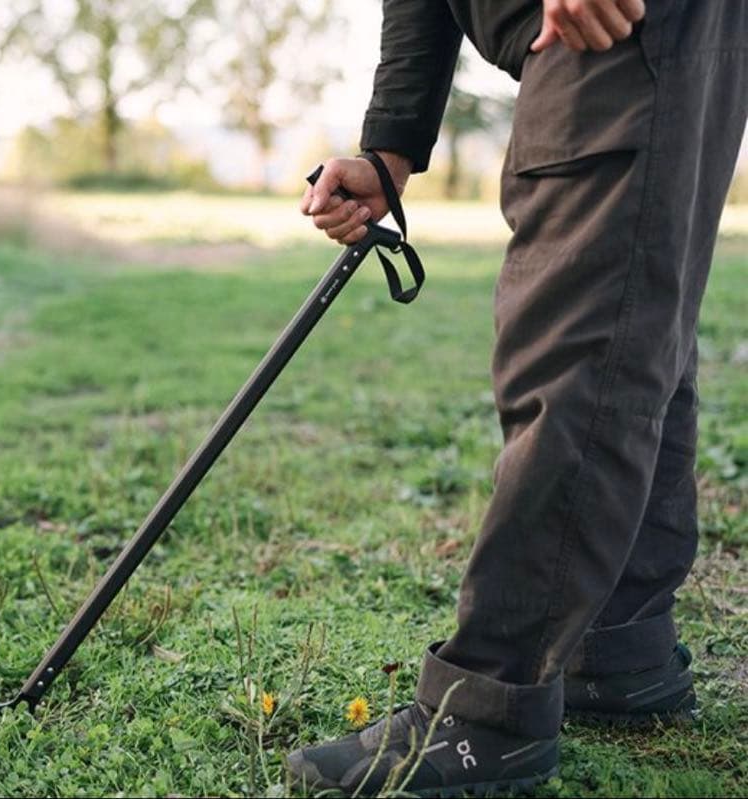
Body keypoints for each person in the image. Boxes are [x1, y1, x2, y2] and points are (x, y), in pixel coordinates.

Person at [286, 0, 748, 795]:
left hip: (615, 27)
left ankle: (488, 712)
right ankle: (617, 649)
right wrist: (390, 149)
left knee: (576, 338)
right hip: (581, 42)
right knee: (629, 318)